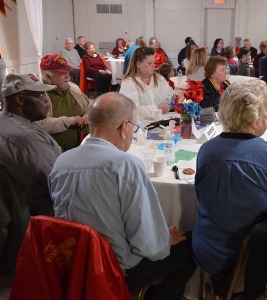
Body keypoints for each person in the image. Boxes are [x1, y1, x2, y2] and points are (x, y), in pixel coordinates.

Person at [48, 92, 196, 299]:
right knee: (191, 246)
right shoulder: (124, 165)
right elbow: (147, 242)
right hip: (114, 268)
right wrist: (164, 239)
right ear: (124, 127)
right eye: (135, 127)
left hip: (73, 262)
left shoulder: (61, 161)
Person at [192, 80, 267, 293]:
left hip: (208, 251)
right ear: (254, 117)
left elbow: (200, 198)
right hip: (256, 256)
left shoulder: (206, 151)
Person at [0, 73, 62, 216]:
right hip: (49, 214)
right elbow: (60, 183)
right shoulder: (28, 140)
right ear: (20, 100)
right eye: (40, 96)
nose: (47, 100)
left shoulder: (10, 122)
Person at [40, 54, 91, 151]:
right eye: (61, 74)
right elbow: (42, 124)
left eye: (68, 72)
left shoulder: (72, 88)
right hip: (57, 155)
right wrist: (72, 120)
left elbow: (89, 107)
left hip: (85, 148)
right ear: (47, 77)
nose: (68, 76)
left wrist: (88, 115)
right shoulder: (39, 95)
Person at [120, 47, 173, 120]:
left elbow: (170, 96)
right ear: (138, 64)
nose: (153, 66)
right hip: (140, 127)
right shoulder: (129, 83)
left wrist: (178, 97)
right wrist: (157, 109)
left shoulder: (160, 79)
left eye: (153, 63)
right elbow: (132, 110)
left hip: (163, 122)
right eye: (150, 63)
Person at [200, 56, 230, 124]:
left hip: (226, 119)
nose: (225, 72)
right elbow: (212, 108)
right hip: (211, 122)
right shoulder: (204, 87)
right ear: (212, 73)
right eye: (222, 70)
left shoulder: (226, 84)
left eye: (225, 69)